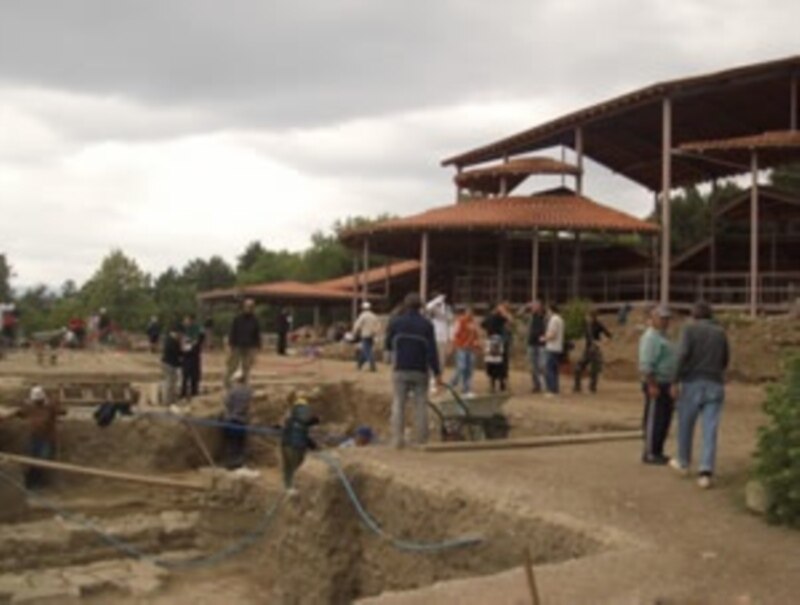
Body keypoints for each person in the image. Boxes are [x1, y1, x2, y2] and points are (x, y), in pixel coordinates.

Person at [671, 301, 730, 489]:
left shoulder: (689, 330)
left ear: (694, 316)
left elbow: (682, 354)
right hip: (714, 382)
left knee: (686, 424)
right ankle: (706, 471)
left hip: (692, 381)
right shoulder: (720, 333)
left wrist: (675, 380)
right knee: (710, 428)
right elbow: (725, 359)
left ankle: (683, 461)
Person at [384, 292, 443, 448]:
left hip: (400, 368)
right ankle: (421, 440)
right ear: (421, 307)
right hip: (420, 370)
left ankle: (397, 440)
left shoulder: (396, 323)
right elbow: (432, 351)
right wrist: (437, 373)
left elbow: (388, 344)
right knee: (421, 405)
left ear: (405, 305)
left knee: (398, 403)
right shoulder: (427, 325)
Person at [638, 305, 677, 465]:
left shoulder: (664, 337)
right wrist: (652, 384)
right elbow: (647, 364)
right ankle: (650, 452)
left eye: (667, 318)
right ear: (653, 319)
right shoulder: (650, 338)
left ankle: (658, 450)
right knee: (655, 419)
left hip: (667, 382)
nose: (665, 321)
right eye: (662, 318)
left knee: (664, 419)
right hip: (656, 382)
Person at [17, 386, 65, 489]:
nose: (37, 402)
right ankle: (31, 482)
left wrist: (56, 405)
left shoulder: (50, 406)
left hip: (46, 437)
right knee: (31, 459)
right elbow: (20, 413)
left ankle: (38, 481)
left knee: (42, 459)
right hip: (34, 436)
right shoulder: (30, 406)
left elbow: (63, 411)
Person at [280, 396, 319, 490]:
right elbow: (303, 435)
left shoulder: (290, 420)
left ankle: (287, 487)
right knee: (295, 467)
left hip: (286, 444)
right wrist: (313, 446)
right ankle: (293, 487)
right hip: (297, 447)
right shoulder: (303, 420)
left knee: (288, 467)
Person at [573, 310, 612, 393]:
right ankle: (577, 386)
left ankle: (592, 387)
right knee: (578, 367)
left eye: (588, 316)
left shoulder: (598, 324)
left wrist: (602, 343)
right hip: (587, 349)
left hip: (595, 349)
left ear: (592, 317)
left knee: (594, 369)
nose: (587, 318)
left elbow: (609, 335)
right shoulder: (587, 325)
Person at [225, 299, 262, 387]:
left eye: (251, 307)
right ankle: (227, 383)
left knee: (247, 367)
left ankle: (244, 384)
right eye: (248, 306)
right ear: (244, 307)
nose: (249, 308)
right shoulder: (237, 319)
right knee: (232, 365)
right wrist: (230, 345)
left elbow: (257, 334)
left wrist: (257, 346)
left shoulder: (255, 320)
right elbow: (232, 332)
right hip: (237, 345)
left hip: (249, 346)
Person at [221, 371, 252, 469]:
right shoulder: (248, 391)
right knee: (240, 443)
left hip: (232, 419)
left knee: (231, 443)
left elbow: (227, 403)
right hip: (243, 420)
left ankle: (231, 463)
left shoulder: (233, 391)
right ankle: (239, 462)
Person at [482, 302, 514, 393]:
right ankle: (499, 384)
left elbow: (482, 325)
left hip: (492, 341)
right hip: (497, 341)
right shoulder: (497, 317)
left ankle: (495, 384)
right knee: (498, 363)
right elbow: (510, 320)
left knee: (494, 363)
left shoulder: (490, 317)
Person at [449, 306, 480, 397]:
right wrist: (454, 345)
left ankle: (466, 389)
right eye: (468, 312)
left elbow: (476, 335)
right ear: (465, 312)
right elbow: (454, 333)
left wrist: (477, 344)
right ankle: (453, 382)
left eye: (471, 312)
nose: (470, 314)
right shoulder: (460, 321)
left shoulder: (473, 322)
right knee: (462, 367)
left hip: (471, 348)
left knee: (469, 368)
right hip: (461, 347)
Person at [541, 303, 565, 397]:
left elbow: (553, 334)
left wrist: (544, 338)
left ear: (551, 310)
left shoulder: (553, 319)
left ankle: (551, 389)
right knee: (554, 369)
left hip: (552, 347)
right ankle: (555, 389)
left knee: (549, 369)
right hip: (558, 347)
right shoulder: (560, 319)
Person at [425, 294, 453, 375]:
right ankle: (431, 378)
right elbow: (428, 307)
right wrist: (436, 300)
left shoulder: (446, 309)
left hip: (443, 339)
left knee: (441, 361)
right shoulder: (432, 310)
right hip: (433, 338)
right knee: (431, 359)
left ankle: (438, 378)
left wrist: (450, 339)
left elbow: (450, 321)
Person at [180, 314, 204, 400]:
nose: (185, 322)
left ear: (191, 320)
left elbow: (199, 339)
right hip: (186, 356)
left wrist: (192, 343)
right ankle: (183, 393)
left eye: (187, 320)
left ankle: (194, 393)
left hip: (194, 355)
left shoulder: (197, 329)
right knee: (185, 376)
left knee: (194, 376)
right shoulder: (183, 329)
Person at [353, 301, 380, 372]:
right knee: (365, 350)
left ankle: (372, 365)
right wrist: (375, 333)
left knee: (367, 350)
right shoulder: (374, 316)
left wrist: (355, 332)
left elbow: (357, 325)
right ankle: (359, 364)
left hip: (365, 335)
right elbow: (378, 326)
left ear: (363, 308)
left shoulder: (363, 316)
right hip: (372, 335)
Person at [526, 300, 546, 393]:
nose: (533, 308)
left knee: (542, 365)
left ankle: (544, 385)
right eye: (533, 306)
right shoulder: (531, 317)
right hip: (531, 343)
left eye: (535, 306)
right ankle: (536, 385)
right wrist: (526, 306)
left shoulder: (544, 317)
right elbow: (518, 314)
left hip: (541, 344)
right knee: (533, 366)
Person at [161, 325, 182, 405]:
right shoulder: (171, 341)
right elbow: (175, 353)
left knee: (172, 382)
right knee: (169, 382)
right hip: (169, 364)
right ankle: (167, 400)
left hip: (170, 363)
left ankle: (171, 399)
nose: (180, 336)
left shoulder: (170, 340)